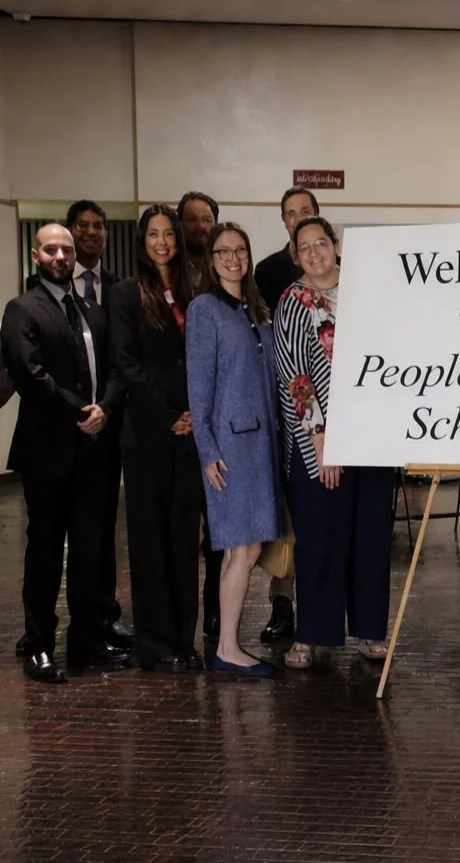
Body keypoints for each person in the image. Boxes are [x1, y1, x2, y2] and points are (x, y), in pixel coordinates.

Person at [1, 224, 128, 682]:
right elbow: (30, 374)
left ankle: (85, 640)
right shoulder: (21, 310)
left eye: (66, 250)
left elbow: (114, 368)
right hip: (47, 450)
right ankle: (39, 645)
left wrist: (105, 407)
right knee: (46, 549)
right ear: (36, 256)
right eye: (50, 249)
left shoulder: (92, 310)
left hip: (94, 448)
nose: (60, 256)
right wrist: (82, 412)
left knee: (90, 550)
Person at [274, 216, 395, 668]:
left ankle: (370, 631)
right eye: (304, 246)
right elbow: (295, 375)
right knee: (321, 537)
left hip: (373, 434)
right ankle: (310, 634)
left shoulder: (367, 291)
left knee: (371, 536)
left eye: (320, 243)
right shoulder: (292, 301)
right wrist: (322, 440)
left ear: (336, 245)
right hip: (319, 440)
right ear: (295, 254)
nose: (314, 253)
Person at [109, 206, 204, 673]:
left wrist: (195, 414)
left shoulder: (194, 289)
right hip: (148, 431)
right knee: (150, 539)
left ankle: (184, 637)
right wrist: (169, 416)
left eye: (169, 233)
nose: (162, 242)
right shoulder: (126, 293)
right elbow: (126, 363)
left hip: (191, 430)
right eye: (153, 234)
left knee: (184, 537)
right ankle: (154, 642)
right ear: (142, 241)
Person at [186, 223, 283, 677]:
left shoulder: (255, 307)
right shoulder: (204, 310)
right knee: (242, 547)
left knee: (243, 548)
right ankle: (227, 647)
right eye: (223, 251)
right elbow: (198, 387)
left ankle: (228, 644)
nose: (232, 258)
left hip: (263, 444)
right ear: (211, 260)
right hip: (230, 447)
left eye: (240, 250)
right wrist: (207, 449)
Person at [251, 186, 321, 644]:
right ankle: (282, 603)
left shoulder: (339, 268)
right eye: (291, 214)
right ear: (283, 222)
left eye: (305, 212)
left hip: (329, 414)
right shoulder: (268, 271)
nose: (298, 219)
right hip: (284, 405)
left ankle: (322, 607)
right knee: (288, 515)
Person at [176, 191, 223, 640]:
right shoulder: (168, 275)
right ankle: (181, 616)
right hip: (177, 420)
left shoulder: (223, 274)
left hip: (215, 419)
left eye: (207, 219)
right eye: (192, 220)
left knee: (218, 531)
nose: (200, 227)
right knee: (184, 526)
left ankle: (214, 611)